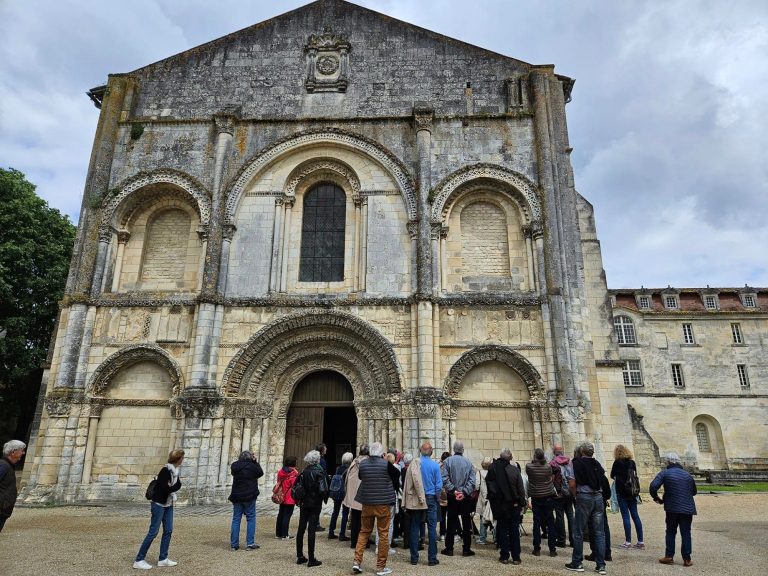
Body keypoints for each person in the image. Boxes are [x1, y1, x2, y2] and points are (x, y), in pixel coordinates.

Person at [133, 449, 184, 570]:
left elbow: (177, 485)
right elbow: (165, 488)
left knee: (168, 530)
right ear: (177, 459)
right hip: (158, 504)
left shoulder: (175, 471)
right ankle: (139, 559)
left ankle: (163, 558)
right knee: (153, 532)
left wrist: (172, 487)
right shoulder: (165, 470)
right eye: (182, 457)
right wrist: (173, 487)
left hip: (168, 504)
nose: (183, 459)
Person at [353, 442, 396, 576]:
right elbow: (396, 476)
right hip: (383, 503)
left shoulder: (363, 464)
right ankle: (380, 567)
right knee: (383, 533)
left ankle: (356, 562)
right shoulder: (386, 464)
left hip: (367, 502)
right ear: (381, 452)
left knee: (364, 531)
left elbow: (361, 477)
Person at [565, 442, 607, 575]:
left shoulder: (576, 464)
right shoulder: (597, 464)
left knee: (578, 531)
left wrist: (576, 495)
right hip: (598, 497)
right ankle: (601, 565)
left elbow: (572, 484)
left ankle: (577, 563)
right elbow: (603, 481)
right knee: (599, 532)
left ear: (582, 452)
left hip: (584, 497)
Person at [650, 452, 697, 567]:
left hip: (672, 508)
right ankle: (687, 559)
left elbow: (653, 486)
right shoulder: (687, 475)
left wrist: (657, 498)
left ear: (667, 462)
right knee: (686, 532)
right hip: (687, 508)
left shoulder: (665, 473)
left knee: (671, 531)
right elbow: (694, 491)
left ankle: (669, 556)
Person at [486, 448, 526, 565]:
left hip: (501, 505)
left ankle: (504, 556)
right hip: (514, 504)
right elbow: (521, 489)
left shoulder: (493, 469)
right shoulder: (514, 470)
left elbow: (490, 487)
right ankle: (516, 557)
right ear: (510, 458)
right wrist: (522, 503)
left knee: (502, 529)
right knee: (514, 529)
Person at [441, 440, 477, 557]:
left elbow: (444, 478)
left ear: (453, 449)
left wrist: (454, 491)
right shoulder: (468, 463)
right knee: (466, 522)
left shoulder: (447, 462)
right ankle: (466, 549)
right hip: (465, 497)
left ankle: (449, 548)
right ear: (463, 450)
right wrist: (464, 492)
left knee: (451, 522)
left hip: (452, 496)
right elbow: (472, 481)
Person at [295, 449, 329, 567]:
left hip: (304, 503)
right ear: (317, 460)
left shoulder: (303, 472)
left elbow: (296, 487)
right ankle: (311, 559)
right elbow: (323, 490)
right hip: (315, 504)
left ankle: (300, 556)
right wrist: (324, 498)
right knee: (311, 529)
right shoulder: (319, 472)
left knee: (301, 528)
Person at [610, 444, 644, 550]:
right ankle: (640, 541)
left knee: (626, 516)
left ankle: (628, 541)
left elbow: (612, 475)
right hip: (632, 492)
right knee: (635, 515)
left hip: (622, 492)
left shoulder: (617, 463)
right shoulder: (632, 462)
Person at [229, 450, 264, 551]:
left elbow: (233, 472)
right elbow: (260, 473)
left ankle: (234, 545)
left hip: (237, 495)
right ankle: (250, 543)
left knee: (236, 519)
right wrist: (255, 461)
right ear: (250, 458)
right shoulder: (253, 466)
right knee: (251, 518)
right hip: (249, 495)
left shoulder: (235, 466)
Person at [526, 448, 558, 557]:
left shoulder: (529, 467)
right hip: (548, 495)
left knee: (537, 522)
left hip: (536, 496)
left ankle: (537, 548)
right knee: (550, 522)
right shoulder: (548, 467)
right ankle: (552, 549)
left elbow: (530, 470)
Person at [403, 447, 427, 564]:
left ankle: (414, 555)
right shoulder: (416, 463)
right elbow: (417, 482)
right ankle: (414, 556)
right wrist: (422, 498)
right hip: (415, 502)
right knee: (415, 527)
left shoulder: (414, 463)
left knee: (414, 526)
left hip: (411, 500)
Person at [344, 445, 369, 549]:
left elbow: (346, 480)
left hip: (354, 498)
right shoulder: (368, 463)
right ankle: (364, 542)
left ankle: (354, 542)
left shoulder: (354, 462)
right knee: (365, 521)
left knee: (355, 520)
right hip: (364, 497)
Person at [550, 443, 575, 547]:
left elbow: (551, 479)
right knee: (570, 516)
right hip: (569, 493)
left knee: (559, 517)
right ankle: (573, 540)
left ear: (554, 451)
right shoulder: (569, 462)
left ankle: (561, 540)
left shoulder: (552, 463)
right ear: (562, 451)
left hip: (559, 494)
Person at [0, 440, 26, 532]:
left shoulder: (8, 466)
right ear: (13, 452)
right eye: (21, 450)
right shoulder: (4, 466)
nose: (23, 453)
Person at [329, 452, 353, 540]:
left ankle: (331, 532)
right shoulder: (350, 469)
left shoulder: (338, 468)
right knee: (345, 513)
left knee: (335, 512)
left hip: (337, 492)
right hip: (345, 493)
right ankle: (342, 534)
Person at [275, 456, 299, 539]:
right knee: (287, 515)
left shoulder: (281, 471)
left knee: (281, 514)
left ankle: (278, 533)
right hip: (289, 496)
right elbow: (294, 485)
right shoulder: (293, 473)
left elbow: (278, 481)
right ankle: (285, 534)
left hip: (281, 495)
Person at [476, 456, 493, 545]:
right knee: (493, 518)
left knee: (483, 517)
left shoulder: (479, 473)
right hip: (492, 497)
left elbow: (476, 486)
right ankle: (495, 538)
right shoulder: (493, 472)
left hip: (483, 497)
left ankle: (482, 538)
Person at [315, 443, 328, 532]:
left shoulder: (316, 459)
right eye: (325, 448)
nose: (326, 449)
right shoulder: (321, 460)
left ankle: (314, 523)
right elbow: (322, 472)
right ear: (322, 450)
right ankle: (316, 524)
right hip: (318, 485)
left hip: (314, 484)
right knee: (317, 506)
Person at [438, 451, 450, 541]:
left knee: (442, 515)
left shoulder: (438, 466)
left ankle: (442, 533)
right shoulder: (449, 466)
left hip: (441, 493)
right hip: (449, 492)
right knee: (451, 515)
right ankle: (451, 533)